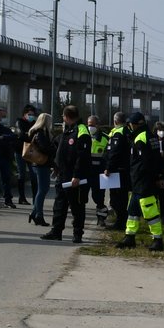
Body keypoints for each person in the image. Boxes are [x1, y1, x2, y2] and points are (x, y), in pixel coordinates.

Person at [41, 104, 91, 243]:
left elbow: (82, 156)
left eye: (63, 116)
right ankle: (56, 231)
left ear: (67, 117)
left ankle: (77, 234)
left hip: (74, 178)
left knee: (77, 207)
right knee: (59, 205)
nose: (62, 119)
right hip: (62, 176)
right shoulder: (67, 131)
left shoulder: (81, 131)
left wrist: (77, 175)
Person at [117, 110, 164, 251]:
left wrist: (155, 178)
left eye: (130, 125)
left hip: (144, 181)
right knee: (132, 211)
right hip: (138, 181)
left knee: (150, 212)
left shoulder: (141, 138)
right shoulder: (148, 136)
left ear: (135, 125)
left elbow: (148, 162)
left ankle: (157, 239)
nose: (129, 127)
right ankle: (129, 237)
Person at [98, 112, 130, 229]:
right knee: (120, 197)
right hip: (123, 170)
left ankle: (121, 222)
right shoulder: (127, 131)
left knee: (117, 198)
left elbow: (114, 153)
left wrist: (108, 167)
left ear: (115, 121)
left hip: (117, 171)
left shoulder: (119, 133)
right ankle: (121, 220)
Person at [22, 111, 55, 226]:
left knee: (43, 189)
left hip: (40, 164)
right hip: (41, 164)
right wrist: (54, 148)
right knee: (42, 190)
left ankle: (35, 213)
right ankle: (38, 215)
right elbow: (44, 148)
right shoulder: (40, 133)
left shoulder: (39, 132)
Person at [86, 114, 108, 222]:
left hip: (100, 172)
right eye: (89, 125)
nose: (90, 127)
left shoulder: (105, 138)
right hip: (86, 171)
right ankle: (79, 218)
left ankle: (101, 218)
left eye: (92, 125)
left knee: (98, 197)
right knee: (82, 197)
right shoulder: (84, 136)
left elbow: (108, 156)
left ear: (98, 125)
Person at [15, 104, 38, 205]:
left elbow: (36, 136)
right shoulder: (19, 122)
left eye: (33, 114)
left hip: (31, 152)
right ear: (24, 114)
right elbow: (21, 135)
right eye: (29, 114)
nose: (31, 116)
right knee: (22, 175)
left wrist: (28, 135)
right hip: (20, 151)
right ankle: (22, 197)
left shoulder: (35, 123)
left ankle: (35, 198)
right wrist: (30, 136)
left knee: (34, 175)